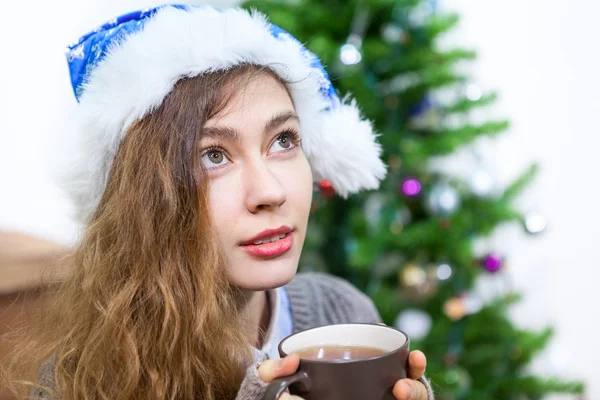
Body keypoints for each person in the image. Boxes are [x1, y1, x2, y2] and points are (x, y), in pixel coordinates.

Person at [3, 5, 434, 400]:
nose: (269, 192)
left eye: (283, 140)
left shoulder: (341, 310)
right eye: (214, 155)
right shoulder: (75, 381)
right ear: (146, 198)